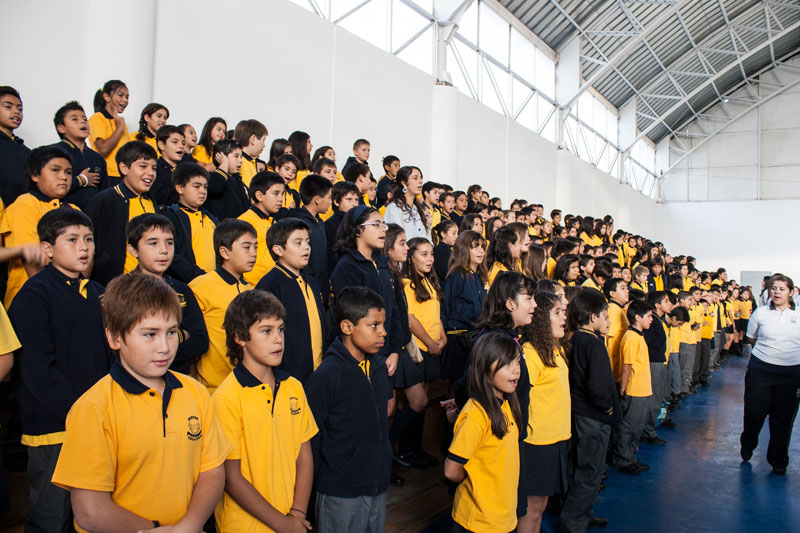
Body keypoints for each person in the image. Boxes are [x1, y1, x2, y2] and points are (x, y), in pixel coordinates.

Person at [51, 274, 231, 532]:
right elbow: (90, 510)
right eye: (149, 334)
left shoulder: (196, 392)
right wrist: (157, 529)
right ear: (114, 338)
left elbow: (212, 471)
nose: (164, 347)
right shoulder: (93, 408)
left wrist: (188, 526)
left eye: (171, 333)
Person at [8, 208, 113, 532]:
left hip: (98, 421)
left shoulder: (97, 293)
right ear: (48, 249)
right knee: (51, 514)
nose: (84, 247)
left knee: (93, 511)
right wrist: (81, 411)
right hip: (54, 426)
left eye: (89, 239)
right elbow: (38, 369)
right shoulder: (34, 295)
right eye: (72, 240)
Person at [213, 290, 317, 531]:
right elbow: (232, 477)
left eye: (280, 329)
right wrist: (282, 523)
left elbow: (305, 457)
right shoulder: (226, 397)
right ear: (240, 337)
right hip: (245, 525)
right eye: (266, 331)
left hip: (291, 518)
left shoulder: (294, 387)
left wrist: (297, 513)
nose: (278, 339)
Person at [305, 286, 393, 533]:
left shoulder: (378, 367)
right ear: (347, 327)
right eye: (374, 325)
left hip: (377, 485)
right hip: (340, 492)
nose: (383, 332)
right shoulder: (327, 376)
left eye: (383, 324)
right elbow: (311, 439)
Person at [444, 332, 522, 533]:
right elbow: (452, 471)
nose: (516, 370)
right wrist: (476, 483)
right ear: (485, 368)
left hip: (502, 516)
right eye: (506, 364)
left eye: (517, 362)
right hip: (478, 521)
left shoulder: (505, 404)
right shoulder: (477, 413)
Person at [560, 288, 620, 532]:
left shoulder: (576, 338)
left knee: (583, 468)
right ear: (593, 317)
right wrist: (606, 407)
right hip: (593, 416)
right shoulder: (593, 344)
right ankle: (573, 521)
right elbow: (597, 386)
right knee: (590, 471)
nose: (608, 321)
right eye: (605, 316)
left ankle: (584, 513)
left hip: (581, 413)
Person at [126, 213, 209, 375]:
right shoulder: (123, 290)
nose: (164, 250)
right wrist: (180, 335)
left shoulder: (182, 289)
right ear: (133, 250)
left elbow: (200, 341)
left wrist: (155, 350)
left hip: (178, 377)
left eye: (169, 243)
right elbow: (125, 346)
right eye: (153, 243)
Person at [517, 291, 570, 533]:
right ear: (540, 319)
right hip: (536, 442)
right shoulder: (531, 353)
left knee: (542, 504)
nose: (564, 318)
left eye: (563, 312)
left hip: (554, 439)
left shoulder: (553, 349)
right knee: (531, 507)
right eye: (557, 313)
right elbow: (518, 398)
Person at [2, 145, 77, 307]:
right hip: (32, 300)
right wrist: (56, 300)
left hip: (70, 297)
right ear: (35, 175)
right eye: (55, 170)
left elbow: (84, 257)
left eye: (68, 172)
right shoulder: (25, 204)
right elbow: (32, 257)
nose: (63, 177)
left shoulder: (74, 209)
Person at [329, 206, 400, 375]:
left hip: (386, 349)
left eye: (384, 224)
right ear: (357, 231)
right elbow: (353, 317)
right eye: (376, 224)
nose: (383, 229)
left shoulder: (383, 264)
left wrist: (395, 350)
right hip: (363, 356)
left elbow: (396, 309)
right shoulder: (347, 267)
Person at [741, 274, 800, 475]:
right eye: (773, 288)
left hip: (791, 373)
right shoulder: (761, 313)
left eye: (782, 289)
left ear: (791, 292)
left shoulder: (799, 315)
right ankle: (748, 443)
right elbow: (751, 338)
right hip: (761, 370)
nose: (776, 292)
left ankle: (778, 460)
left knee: (782, 419)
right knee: (754, 412)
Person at [189, 220, 257, 393]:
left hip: (249, 386)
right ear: (224, 252)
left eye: (255, 247)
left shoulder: (252, 290)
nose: (253, 253)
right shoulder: (200, 287)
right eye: (246, 247)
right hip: (213, 387)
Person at [256, 218, 325, 383]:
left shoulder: (311, 281)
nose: (306, 247)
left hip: (318, 371)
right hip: (289, 374)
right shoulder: (269, 285)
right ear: (278, 250)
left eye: (307, 242)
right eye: (298, 242)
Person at [86, 140, 157, 285]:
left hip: (149, 285)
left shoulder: (152, 201)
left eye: (154, 168)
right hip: (115, 287)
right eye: (143, 166)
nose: (150, 173)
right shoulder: (104, 200)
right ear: (124, 168)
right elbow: (88, 247)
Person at [611, 299, 654, 474]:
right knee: (628, 426)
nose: (652, 319)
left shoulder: (638, 336)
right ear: (637, 317)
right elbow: (627, 366)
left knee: (637, 427)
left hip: (642, 389)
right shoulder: (630, 337)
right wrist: (623, 389)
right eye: (649, 316)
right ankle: (623, 459)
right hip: (633, 390)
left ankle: (631, 457)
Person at [441, 230, 488, 382]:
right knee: (456, 389)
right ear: (463, 249)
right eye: (475, 247)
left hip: (475, 338)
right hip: (459, 340)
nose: (480, 251)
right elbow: (446, 308)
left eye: (482, 247)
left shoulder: (478, 276)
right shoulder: (457, 275)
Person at [162, 162, 217, 283]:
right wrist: (199, 276)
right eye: (196, 186)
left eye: (205, 187)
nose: (202, 191)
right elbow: (171, 255)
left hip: (213, 285)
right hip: (187, 285)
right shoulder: (171, 217)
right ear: (180, 188)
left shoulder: (212, 219)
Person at [53, 100, 108, 209]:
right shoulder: (54, 152)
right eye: (75, 119)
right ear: (61, 128)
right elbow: (50, 187)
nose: (82, 122)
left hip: (93, 219)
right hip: (64, 217)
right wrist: (81, 180)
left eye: (84, 119)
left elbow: (105, 193)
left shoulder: (97, 158)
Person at [287, 174, 333, 296]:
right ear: (317, 199)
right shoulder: (298, 223)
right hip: (308, 287)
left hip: (322, 286)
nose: (330, 202)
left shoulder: (320, 222)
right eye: (329, 198)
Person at [238, 171, 286, 285]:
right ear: (259, 195)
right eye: (276, 193)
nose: (280, 199)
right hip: (253, 289)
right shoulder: (245, 222)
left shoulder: (273, 222)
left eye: (282, 194)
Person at [641, 291, 674, 444]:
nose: (670, 304)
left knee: (657, 397)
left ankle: (649, 428)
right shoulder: (652, 321)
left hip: (658, 362)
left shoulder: (657, 320)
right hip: (653, 363)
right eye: (666, 301)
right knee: (653, 399)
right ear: (657, 305)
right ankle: (648, 431)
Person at [88, 80, 129, 180]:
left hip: (122, 175)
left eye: (127, 97)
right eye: (120, 95)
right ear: (107, 97)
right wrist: (119, 128)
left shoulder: (122, 123)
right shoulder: (97, 118)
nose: (125, 100)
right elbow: (103, 149)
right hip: (106, 175)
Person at [383, 165, 430, 242]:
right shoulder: (394, 208)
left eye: (421, 178)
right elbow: (394, 238)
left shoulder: (419, 209)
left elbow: (427, 236)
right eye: (415, 178)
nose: (420, 181)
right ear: (404, 183)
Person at [205, 139, 249, 220]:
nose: (240, 160)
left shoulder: (238, 181)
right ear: (221, 156)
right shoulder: (211, 177)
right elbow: (217, 185)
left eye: (241, 157)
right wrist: (224, 163)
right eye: (236, 156)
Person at [325, 181, 360, 273]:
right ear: (336, 202)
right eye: (349, 199)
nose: (354, 203)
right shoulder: (330, 225)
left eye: (356, 199)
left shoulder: (359, 223)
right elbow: (332, 256)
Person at [150, 124, 185, 206]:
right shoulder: (154, 169)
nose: (181, 146)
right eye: (175, 142)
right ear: (161, 145)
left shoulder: (185, 170)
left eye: (183, 143)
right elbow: (158, 197)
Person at [603, 277, 630, 384]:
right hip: (614, 369)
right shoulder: (612, 310)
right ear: (612, 294)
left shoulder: (620, 309)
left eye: (627, 288)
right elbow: (607, 338)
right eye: (623, 288)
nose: (627, 291)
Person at [233, 119, 268, 187]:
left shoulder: (251, 162)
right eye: (263, 140)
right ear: (253, 139)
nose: (264, 145)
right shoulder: (240, 162)